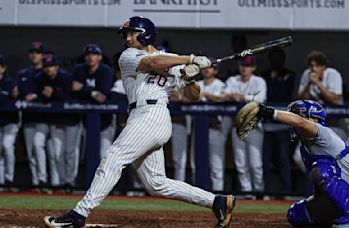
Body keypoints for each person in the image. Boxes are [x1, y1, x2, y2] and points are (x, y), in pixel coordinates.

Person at [44, 16, 235, 228]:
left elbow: (193, 97)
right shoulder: (129, 55)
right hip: (139, 115)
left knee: (114, 157)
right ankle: (217, 202)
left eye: (131, 33)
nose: (127, 37)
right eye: (126, 34)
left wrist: (189, 78)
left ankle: (79, 213)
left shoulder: (172, 59)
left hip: (154, 115)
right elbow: (153, 62)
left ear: (146, 33)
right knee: (156, 184)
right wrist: (190, 59)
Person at [236, 100, 349, 227]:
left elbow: (300, 123)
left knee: (321, 170)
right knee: (296, 215)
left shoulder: (322, 132)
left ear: (314, 118)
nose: (293, 120)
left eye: (299, 116)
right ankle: (338, 217)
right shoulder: (305, 146)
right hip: (346, 188)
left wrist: (267, 112)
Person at [296, 51, 347, 173]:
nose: (314, 68)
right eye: (311, 65)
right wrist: (309, 83)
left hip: (335, 123)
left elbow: (335, 99)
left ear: (324, 66)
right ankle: (318, 182)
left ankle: (332, 185)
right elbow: (300, 99)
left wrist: (318, 83)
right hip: (314, 123)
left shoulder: (333, 74)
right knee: (298, 158)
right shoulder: (307, 74)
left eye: (317, 65)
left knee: (330, 157)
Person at [222, 56, 266, 194]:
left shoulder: (259, 81)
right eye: (242, 64)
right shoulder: (232, 80)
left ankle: (259, 192)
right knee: (241, 164)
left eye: (247, 65)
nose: (244, 67)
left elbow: (261, 99)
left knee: (255, 164)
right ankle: (247, 193)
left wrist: (242, 97)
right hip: (237, 125)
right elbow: (223, 94)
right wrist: (231, 96)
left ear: (253, 67)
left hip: (254, 125)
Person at [35, 54, 75, 191]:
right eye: (46, 66)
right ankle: (63, 182)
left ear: (56, 66)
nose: (48, 69)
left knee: (70, 152)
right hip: (55, 120)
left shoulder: (65, 77)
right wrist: (43, 95)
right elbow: (38, 97)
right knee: (57, 154)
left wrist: (54, 93)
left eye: (51, 66)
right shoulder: (40, 78)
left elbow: (70, 98)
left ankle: (70, 182)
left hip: (72, 121)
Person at [261, 49, 295, 194]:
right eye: (273, 58)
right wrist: (272, 79)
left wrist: (275, 80)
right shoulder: (264, 76)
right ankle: (266, 192)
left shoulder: (289, 74)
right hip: (267, 124)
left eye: (279, 58)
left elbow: (283, 95)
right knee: (265, 160)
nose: (276, 60)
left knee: (284, 160)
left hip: (283, 123)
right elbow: (266, 96)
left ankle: (287, 191)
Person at [71, 44, 114, 159]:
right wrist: (93, 93)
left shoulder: (106, 71)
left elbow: (101, 97)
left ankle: (107, 178)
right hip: (85, 118)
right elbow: (74, 90)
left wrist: (84, 89)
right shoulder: (79, 69)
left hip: (105, 119)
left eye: (94, 54)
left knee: (104, 155)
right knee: (88, 154)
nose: (91, 57)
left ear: (99, 57)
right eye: (88, 55)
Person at [17, 42, 48, 191]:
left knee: (38, 145)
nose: (35, 54)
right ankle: (36, 182)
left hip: (44, 117)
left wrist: (36, 95)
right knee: (30, 152)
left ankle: (43, 179)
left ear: (42, 55)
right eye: (32, 52)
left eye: (37, 52)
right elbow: (19, 92)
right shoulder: (23, 73)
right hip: (28, 116)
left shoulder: (47, 71)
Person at [197, 62, 226, 191]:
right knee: (196, 164)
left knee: (216, 166)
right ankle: (197, 194)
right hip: (197, 127)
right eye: (205, 67)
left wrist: (206, 96)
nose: (207, 70)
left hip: (215, 127)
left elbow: (223, 98)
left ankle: (218, 193)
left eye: (211, 67)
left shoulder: (221, 84)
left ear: (216, 71)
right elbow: (185, 97)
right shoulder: (197, 84)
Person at [0, 54, 19, 190]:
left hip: (10, 121)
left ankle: (9, 179)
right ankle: (1, 182)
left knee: (7, 146)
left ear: (3, 68)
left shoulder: (10, 82)